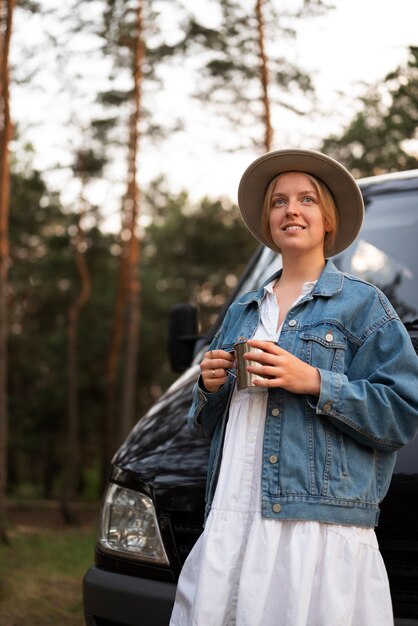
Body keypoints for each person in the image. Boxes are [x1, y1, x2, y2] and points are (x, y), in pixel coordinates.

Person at [169, 149, 418, 626]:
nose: (291, 209)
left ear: (327, 219)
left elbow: (402, 413)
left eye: (307, 199)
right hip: (232, 516)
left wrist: (316, 381)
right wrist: (209, 386)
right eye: (279, 201)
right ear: (268, 220)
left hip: (314, 526)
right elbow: (202, 423)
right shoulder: (243, 310)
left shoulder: (365, 307)